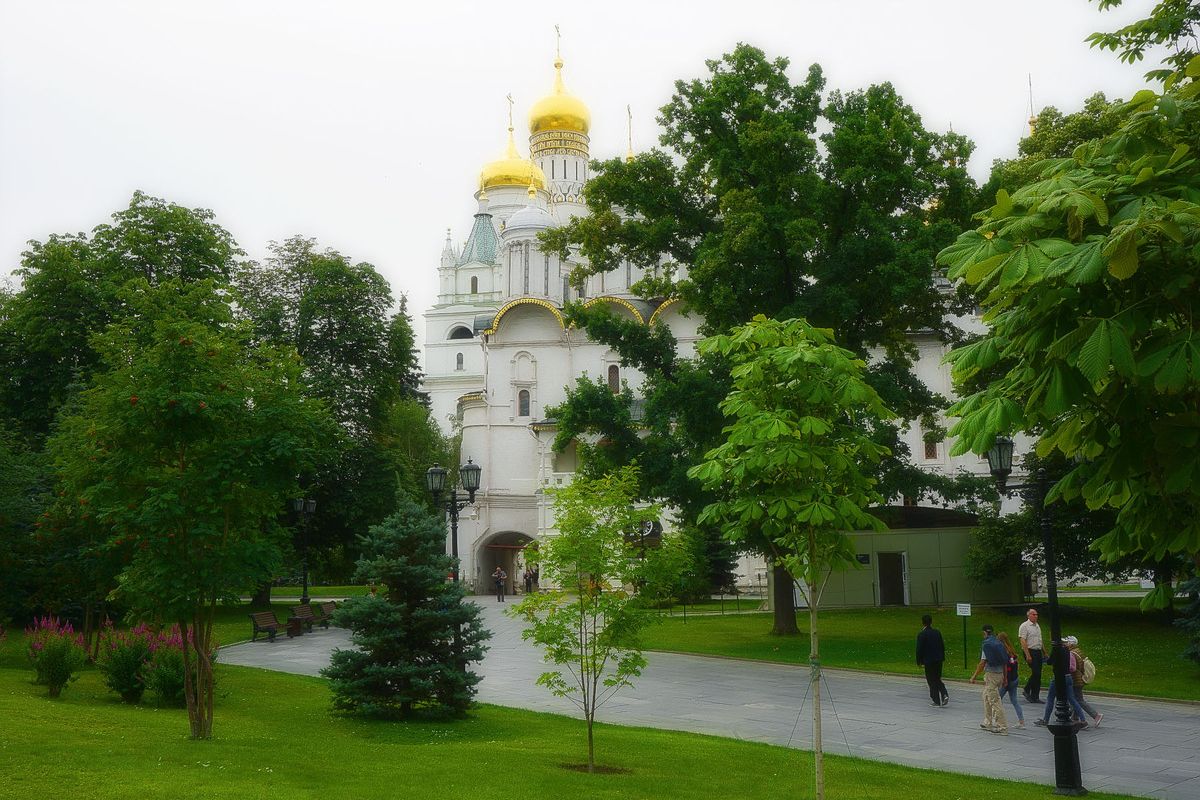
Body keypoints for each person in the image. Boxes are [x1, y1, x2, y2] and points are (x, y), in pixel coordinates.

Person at [1034, 638, 1090, 728]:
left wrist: (1045, 659)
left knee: (1050, 698)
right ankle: (1083, 720)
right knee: (1072, 699)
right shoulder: (1067, 650)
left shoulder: (1056, 650)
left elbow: (1050, 661)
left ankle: (1045, 720)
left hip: (1058, 677)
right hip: (1068, 676)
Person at [968, 624, 1009, 734]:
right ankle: (988, 721)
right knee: (986, 696)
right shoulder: (998, 643)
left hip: (991, 675)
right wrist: (1005, 678)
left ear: (984, 633)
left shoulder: (986, 645)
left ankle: (1002, 726)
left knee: (995, 701)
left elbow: (982, 663)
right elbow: (1005, 662)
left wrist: (974, 676)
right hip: (1000, 674)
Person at [1066, 636, 1103, 727]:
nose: (1065, 644)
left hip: (1076, 680)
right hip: (1080, 679)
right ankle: (1075, 719)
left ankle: (1096, 715)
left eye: (1067, 642)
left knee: (1078, 700)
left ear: (1071, 644)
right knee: (1075, 699)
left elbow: (1073, 668)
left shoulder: (1072, 653)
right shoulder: (1078, 651)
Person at [915, 613, 949, 707]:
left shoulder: (922, 634)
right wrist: (942, 657)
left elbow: (919, 649)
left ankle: (936, 699)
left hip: (928, 660)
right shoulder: (937, 632)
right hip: (938, 659)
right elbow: (942, 645)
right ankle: (944, 693)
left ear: (923, 623)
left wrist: (919, 661)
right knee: (937, 678)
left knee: (931, 680)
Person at [997, 632, 1025, 728]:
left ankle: (997, 720)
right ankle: (1021, 721)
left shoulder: (1003, 652)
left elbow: (1006, 668)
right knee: (1014, 701)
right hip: (1015, 678)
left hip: (1007, 679)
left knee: (997, 700)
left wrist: (1005, 680)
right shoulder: (1012, 651)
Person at [1018, 608, 1044, 703]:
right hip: (1030, 651)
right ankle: (1026, 689)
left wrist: (1044, 651)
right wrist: (1028, 655)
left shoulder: (1037, 626)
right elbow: (1023, 641)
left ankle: (1035, 696)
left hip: (1037, 651)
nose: (1036, 616)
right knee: (1036, 672)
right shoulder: (1024, 626)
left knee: (1038, 674)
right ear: (1028, 615)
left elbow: (1040, 640)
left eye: (1036, 614)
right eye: (1033, 614)